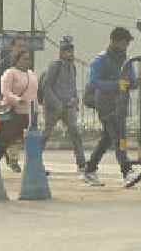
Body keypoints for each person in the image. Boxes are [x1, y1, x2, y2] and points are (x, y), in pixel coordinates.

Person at [82, 27, 141, 188]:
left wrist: (134, 83)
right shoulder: (100, 60)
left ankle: (89, 169)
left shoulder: (127, 61)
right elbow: (95, 82)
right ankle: (127, 171)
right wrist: (116, 84)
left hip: (121, 104)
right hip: (105, 104)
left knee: (108, 138)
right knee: (118, 138)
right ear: (114, 41)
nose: (126, 46)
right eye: (124, 42)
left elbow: (128, 81)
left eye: (128, 43)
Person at [41, 36, 86, 176]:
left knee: (75, 133)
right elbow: (46, 87)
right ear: (61, 52)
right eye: (66, 50)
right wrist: (57, 104)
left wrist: (75, 99)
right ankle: (34, 162)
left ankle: (82, 164)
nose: (70, 53)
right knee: (45, 135)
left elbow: (72, 86)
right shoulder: (55, 66)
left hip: (68, 107)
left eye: (71, 50)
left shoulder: (72, 67)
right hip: (53, 108)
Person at [0, 45, 38, 165]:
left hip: (28, 112)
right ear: (17, 60)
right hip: (13, 111)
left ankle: (32, 165)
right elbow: (5, 91)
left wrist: (37, 107)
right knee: (6, 140)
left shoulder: (31, 74)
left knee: (23, 140)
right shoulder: (10, 73)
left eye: (28, 59)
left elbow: (34, 93)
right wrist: (17, 99)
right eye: (24, 59)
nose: (27, 61)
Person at [0, 36, 26, 172]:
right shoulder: (4, 65)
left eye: (23, 46)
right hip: (6, 104)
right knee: (6, 134)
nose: (21, 49)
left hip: (20, 104)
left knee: (17, 134)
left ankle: (12, 160)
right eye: (19, 46)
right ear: (12, 47)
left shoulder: (24, 65)